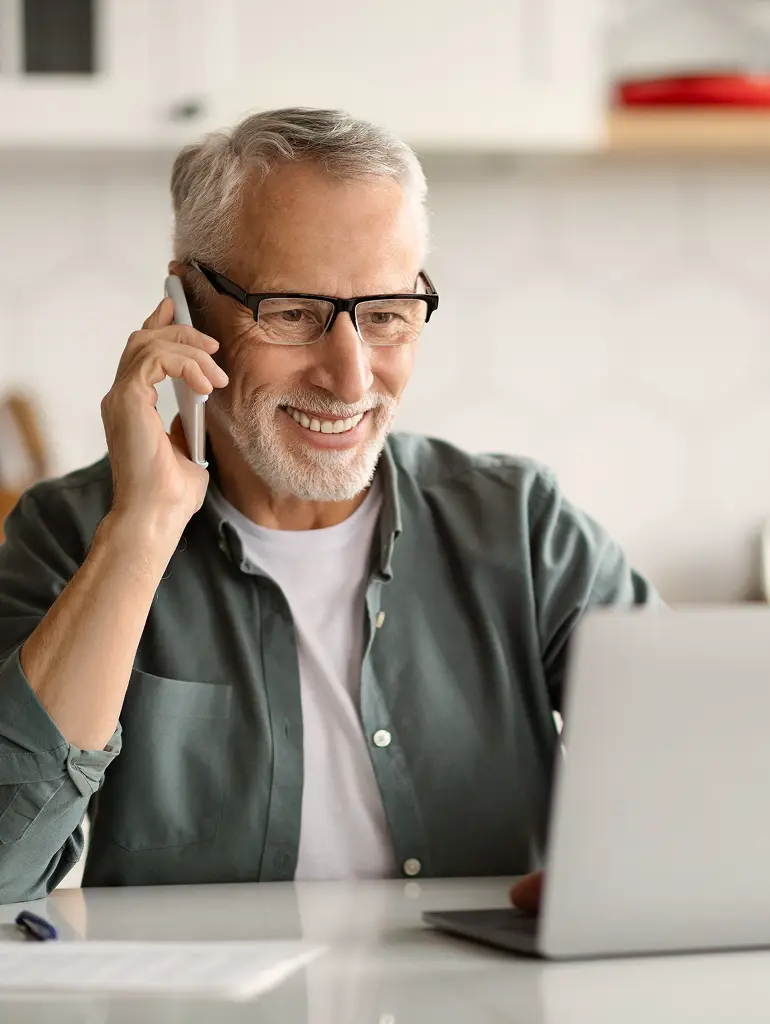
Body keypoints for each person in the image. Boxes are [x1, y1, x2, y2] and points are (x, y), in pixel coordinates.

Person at [0, 108, 657, 905]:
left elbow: (706, 768)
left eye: (384, 315)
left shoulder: (523, 527)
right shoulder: (70, 537)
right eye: (293, 314)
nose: (350, 379)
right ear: (184, 304)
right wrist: (140, 535)